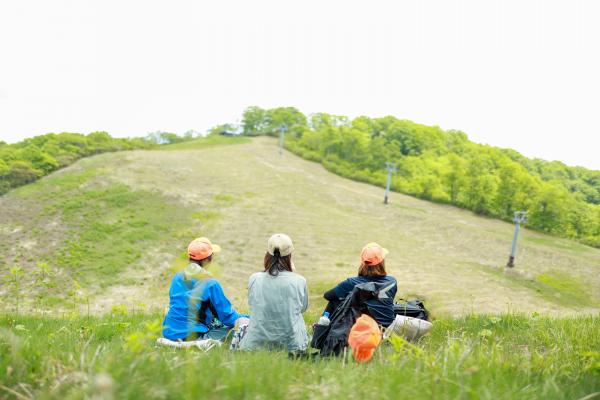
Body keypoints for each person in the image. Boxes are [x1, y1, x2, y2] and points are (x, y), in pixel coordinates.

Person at [238, 233, 309, 352]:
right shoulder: (300, 281)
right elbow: (302, 308)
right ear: (289, 255)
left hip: (254, 345)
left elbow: (252, 304)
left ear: (267, 255)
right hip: (291, 346)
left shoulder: (254, 278)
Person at [162, 237, 241, 341]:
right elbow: (228, 318)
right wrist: (249, 319)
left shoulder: (177, 277)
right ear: (207, 259)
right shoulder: (211, 283)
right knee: (234, 330)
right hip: (193, 336)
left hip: (169, 333)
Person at [322, 242, 397, 327]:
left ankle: (321, 327)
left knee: (335, 300)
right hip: (388, 330)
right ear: (382, 262)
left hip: (366, 332)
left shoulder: (351, 283)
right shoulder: (392, 281)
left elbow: (327, 296)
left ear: (362, 263)